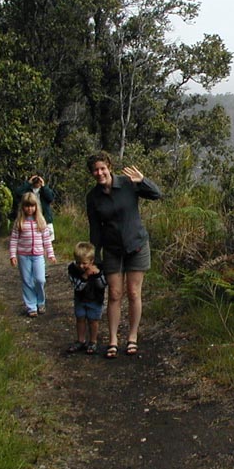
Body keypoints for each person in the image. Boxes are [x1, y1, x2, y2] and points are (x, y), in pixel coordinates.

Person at [86, 151, 162, 359]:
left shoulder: (128, 184)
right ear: (92, 173)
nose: (99, 173)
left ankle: (132, 337)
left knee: (134, 292)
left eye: (102, 168)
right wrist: (96, 256)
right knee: (114, 294)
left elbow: (157, 194)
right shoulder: (93, 198)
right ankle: (112, 339)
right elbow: (95, 229)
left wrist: (143, 180)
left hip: (136, 245)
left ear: (109, 166)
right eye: (95, 170)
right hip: (112, 249)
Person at [9, 192, 56, 317]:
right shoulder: (19, 222)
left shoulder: (40, 221)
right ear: (23, 207)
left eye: (32, 206)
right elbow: (14, 239)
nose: (30, 209)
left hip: (38, 255)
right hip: (23, 255)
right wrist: (12, 255)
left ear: (36, 207)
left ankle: (41, 302)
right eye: (27, 206)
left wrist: (50, 254)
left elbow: (46, 239)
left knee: (40, 279)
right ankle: (31, 306)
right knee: (27, 280)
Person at [66, 242, 107, 355]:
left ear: (92, 261)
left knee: (93, 321)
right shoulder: (73, 270)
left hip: (95, 299)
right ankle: (81, 340)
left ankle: (93, 341)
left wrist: (97, 274)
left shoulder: (100, 268)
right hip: (80, 299)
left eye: (84, 263)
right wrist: (85, 276)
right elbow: (77, 287)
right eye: (78, 263)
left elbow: (103, 284)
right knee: (80, 318)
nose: (81, 266)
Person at [13, 174, 56, 241]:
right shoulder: (27, 190)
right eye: (35, 180)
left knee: (47, 241)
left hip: (45, 219)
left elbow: (50, 198)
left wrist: (44, 186)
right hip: (30, 219)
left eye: (38, 180)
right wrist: (28, 183)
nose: (37, 181)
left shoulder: (44, 190)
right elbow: (17, 193)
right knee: (34, 240)